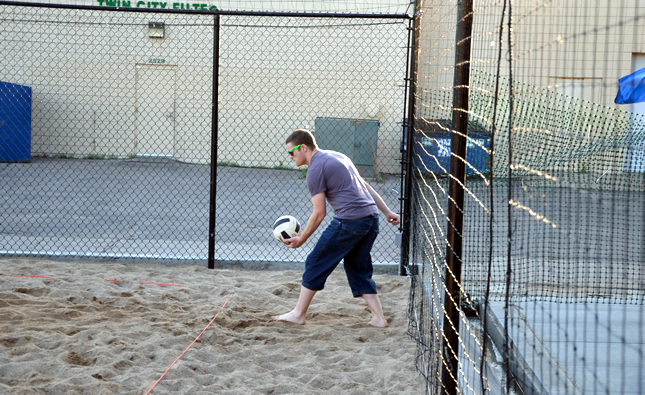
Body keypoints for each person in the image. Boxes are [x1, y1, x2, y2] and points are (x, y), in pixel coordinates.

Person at [272, 129, 400, 328]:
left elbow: (319, 213)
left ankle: (298, 314)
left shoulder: (315, 170)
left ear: (303, 147)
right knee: (358, 268)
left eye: (291, 152)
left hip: (350, 222)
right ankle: (378, 318)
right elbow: (364, 186)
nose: (290, 157)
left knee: (315, 260)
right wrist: (386, 211)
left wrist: (302, 239)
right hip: (371, 220)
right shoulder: (338, 155)